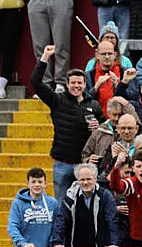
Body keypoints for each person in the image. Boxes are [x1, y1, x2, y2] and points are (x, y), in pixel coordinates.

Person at [34, 45, 106, 203]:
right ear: (67, 84)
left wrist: (97, 130)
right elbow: (36, 83)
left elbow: (104, 132)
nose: (76, 86)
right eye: (73, 83)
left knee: (86, 205)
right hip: (63, 162)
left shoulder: (93, 104)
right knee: (62, 205)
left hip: (85, 165)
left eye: (79, 83)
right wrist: (45, 57)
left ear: (85, 84)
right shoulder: (57, 100)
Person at [51, 163, 121, 247]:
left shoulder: (105, 196)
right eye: (82, 179)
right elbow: (61, 221)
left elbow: (112, 221)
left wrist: (114, 243)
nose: (85, 182)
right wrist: (57, 243)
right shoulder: (70, 197)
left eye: (89, 179)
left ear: (95, 179)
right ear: (77, 180)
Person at [8, 167, 58, 247]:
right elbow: (12, 227)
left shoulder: (53, 203)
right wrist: (23, 244)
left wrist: (54, 244)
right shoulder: (18, 203)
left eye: (40, 182)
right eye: (33, 182)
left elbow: (57, 227)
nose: (37, 185)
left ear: (45, 184)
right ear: (28, 183)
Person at [27, 0, 73, 92]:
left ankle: (61, 82)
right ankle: (44, 83)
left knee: (61, 45)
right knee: (40, 47)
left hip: (60, 2)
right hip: (36, 2)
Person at [86, 39, 124, 115]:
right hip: (96, 120)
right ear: (97, 55)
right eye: (103, 54)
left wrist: (118, 86)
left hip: (120, 120)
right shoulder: (88, 76)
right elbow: (83, 101)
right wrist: (96, 88)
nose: (107, 57)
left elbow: (132, 99)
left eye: (110, 54)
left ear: (115, 55)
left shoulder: (125, 73)